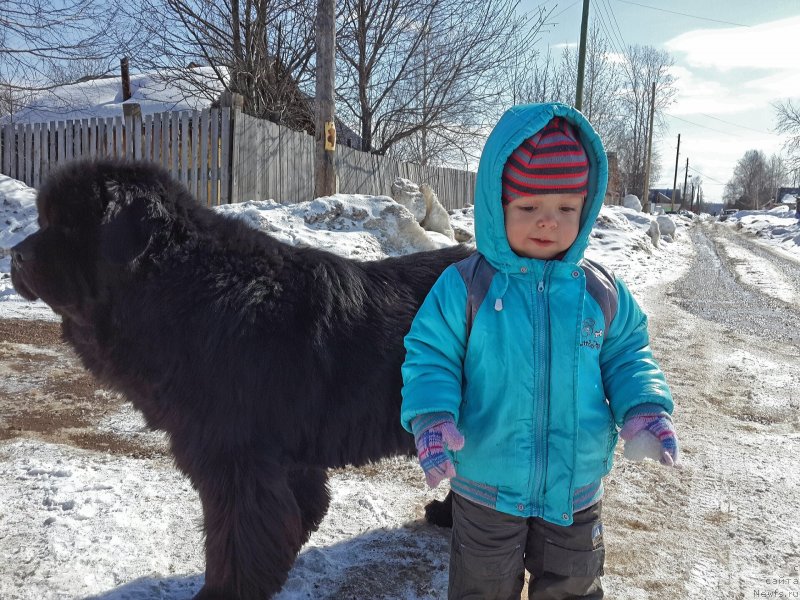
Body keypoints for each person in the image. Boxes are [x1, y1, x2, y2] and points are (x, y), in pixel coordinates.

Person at [400, 103, 679, 600]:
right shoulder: (465, 287)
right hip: (486, 486)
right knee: (482, 590)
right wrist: (433, 417)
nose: (547, 223)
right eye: (529, 208)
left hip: (574, 489)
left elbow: (628, 355)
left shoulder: (600, 290)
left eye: (565, 209)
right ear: (497, 205)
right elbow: (430, 355)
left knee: (572, 588)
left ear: (586, 209)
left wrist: (644, 408)